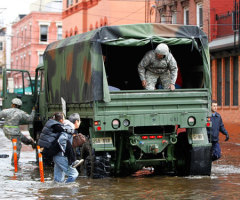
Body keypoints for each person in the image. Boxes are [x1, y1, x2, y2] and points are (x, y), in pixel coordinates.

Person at [0, 98, 36, 165]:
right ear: (19, 106)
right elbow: (30, 119)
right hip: (14, 133)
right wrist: (33, 110)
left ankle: (30, 142)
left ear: (13, 104)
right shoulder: (21, 113)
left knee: (21, 137)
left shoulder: (6, 111)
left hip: (7, 131)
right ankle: (14, 164)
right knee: (17, 148)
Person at [53, 113, 83, 183]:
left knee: (58, 180)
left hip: (57, 155)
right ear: (76, 122)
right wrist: (63, 150)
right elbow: (61, 139)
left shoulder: (66, 126)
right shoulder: (70, 128)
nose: (80, 123)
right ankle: (67, 189)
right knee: (74, 174)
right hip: (61, 156)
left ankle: (57, 191)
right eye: (79, 121)